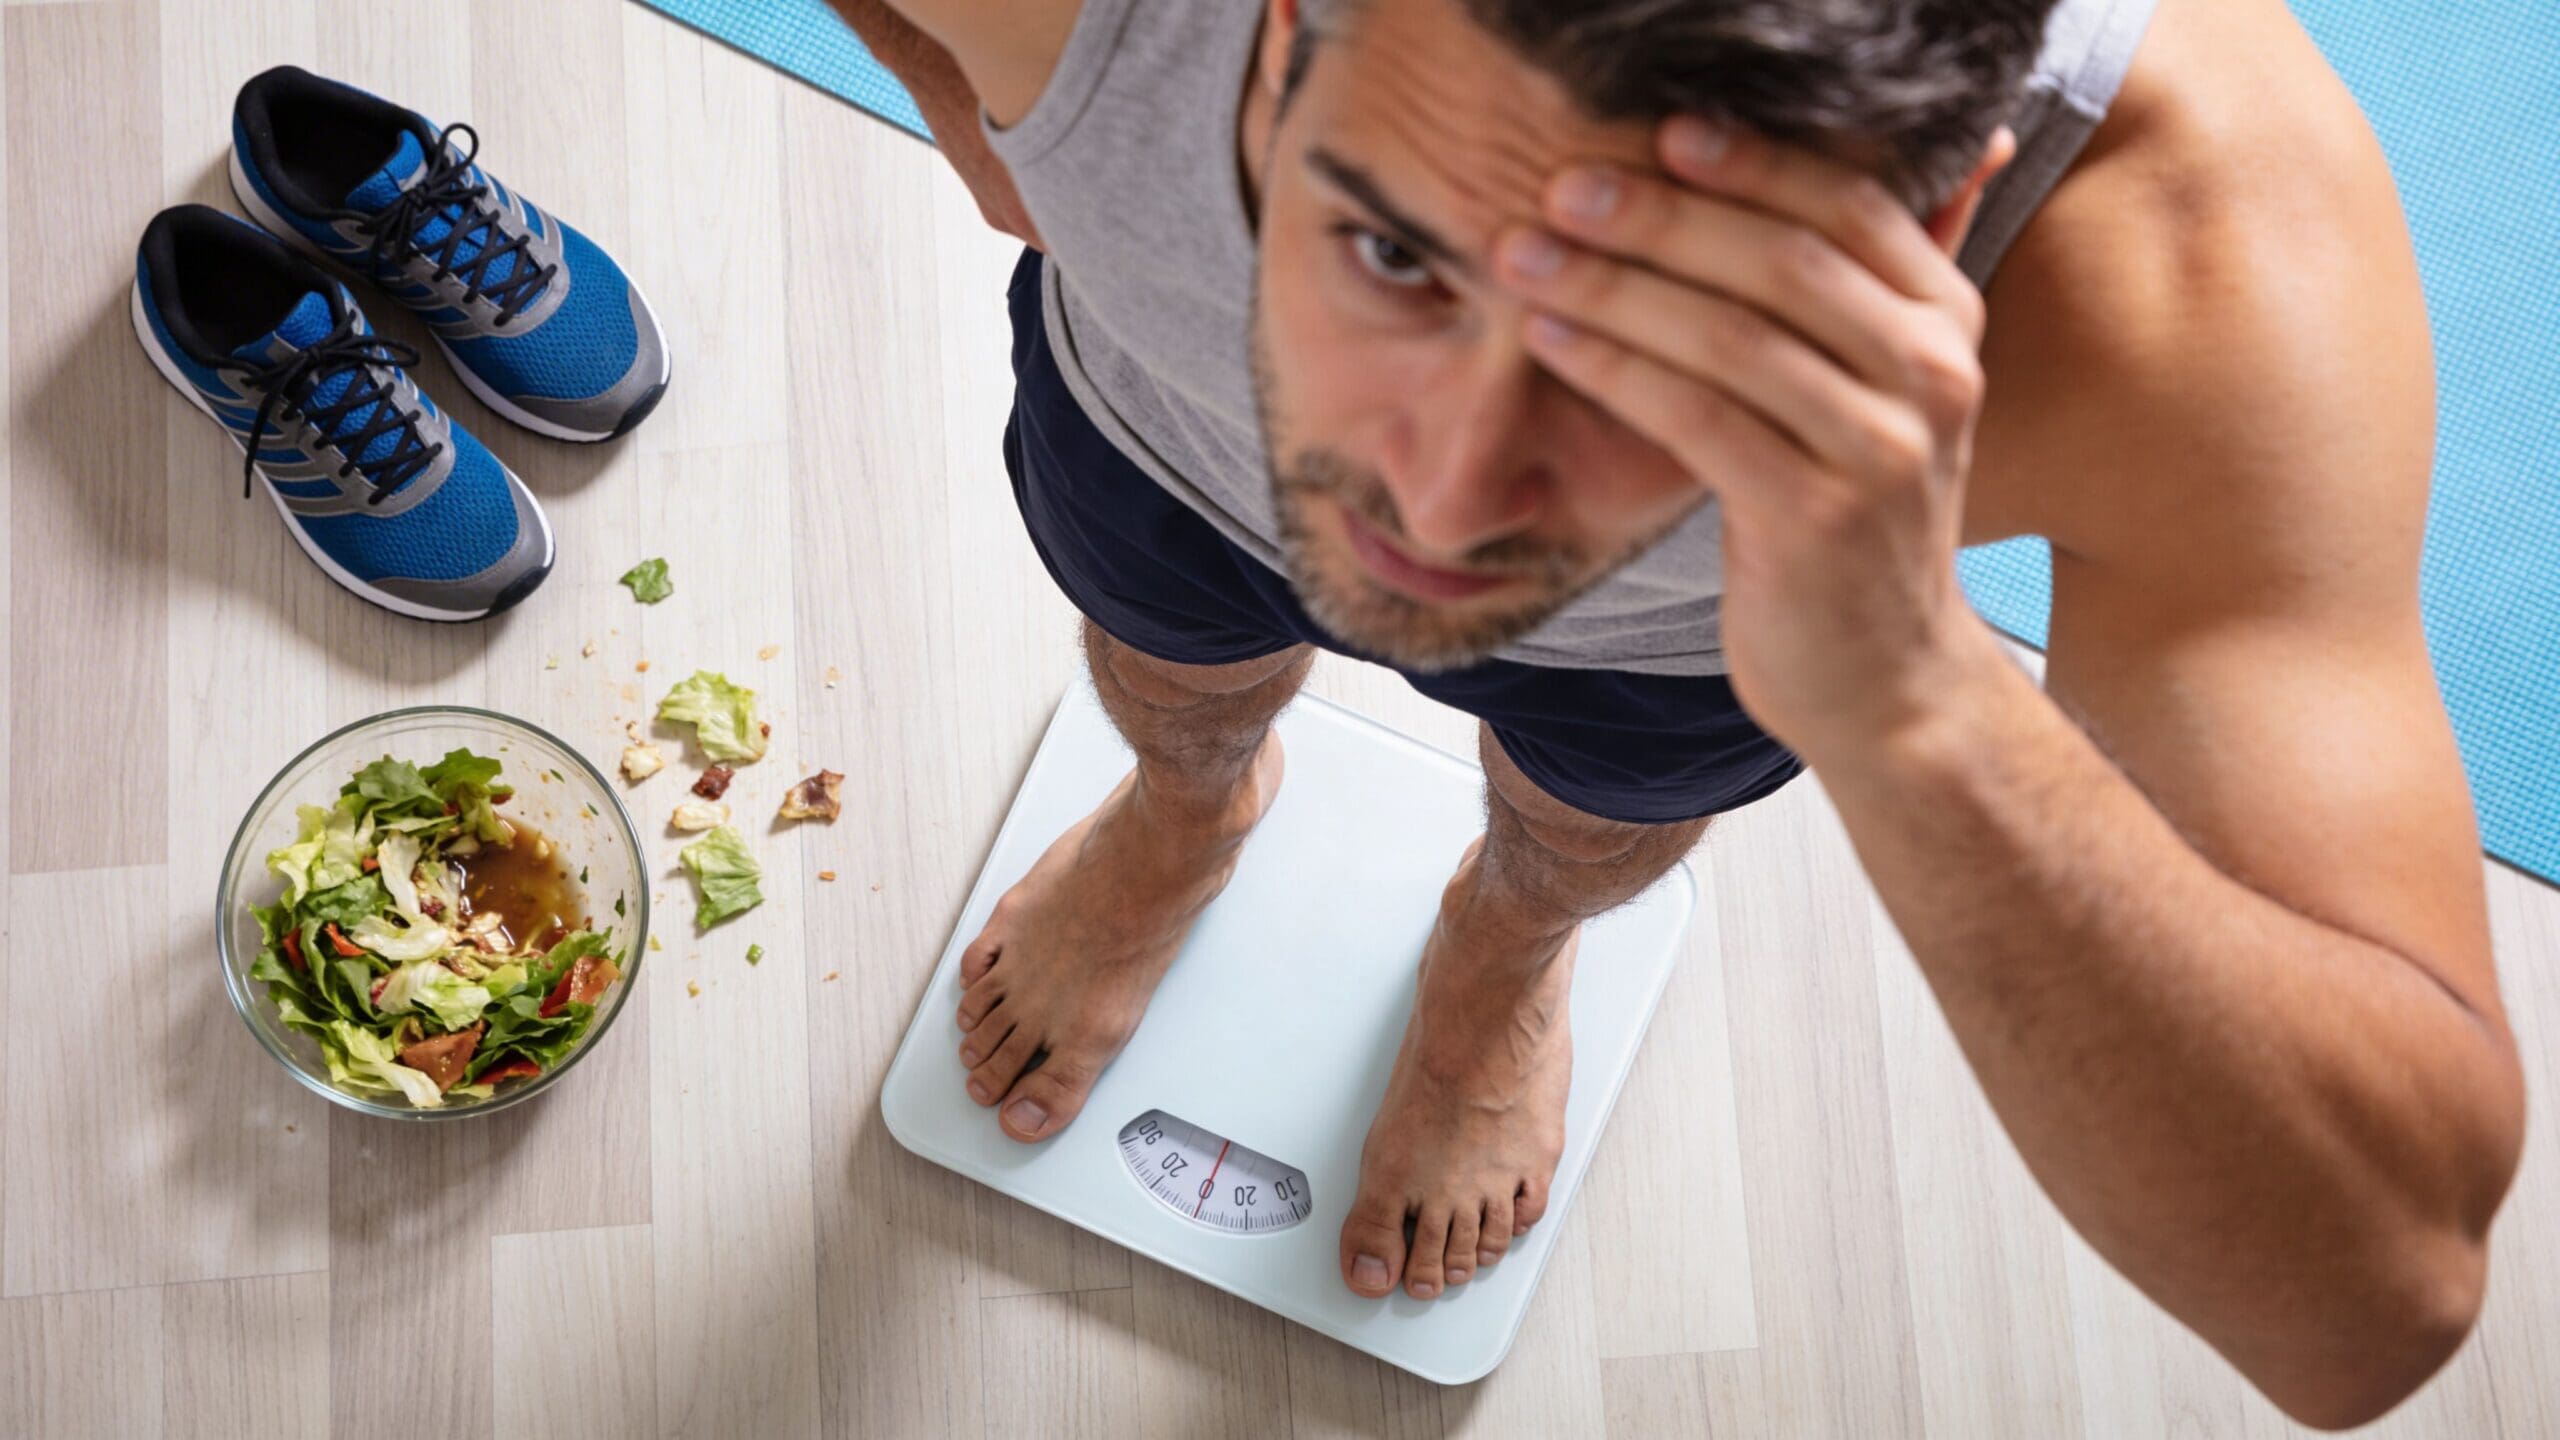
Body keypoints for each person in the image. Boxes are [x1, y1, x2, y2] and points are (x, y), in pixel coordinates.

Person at [827, 0, 2525, 1424]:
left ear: (1929, 233)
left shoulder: (2181, 248)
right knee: (1166, 667)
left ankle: (1502, 964)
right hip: (1155, 431)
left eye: (1644, 356)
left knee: (1586, 826)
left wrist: (1913, 698)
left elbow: (2373, 1294)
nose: (1443, 506)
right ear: (1268, 35)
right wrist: (940, 82)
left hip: (1674, 659)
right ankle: (1181, 818)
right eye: (1388, 247)